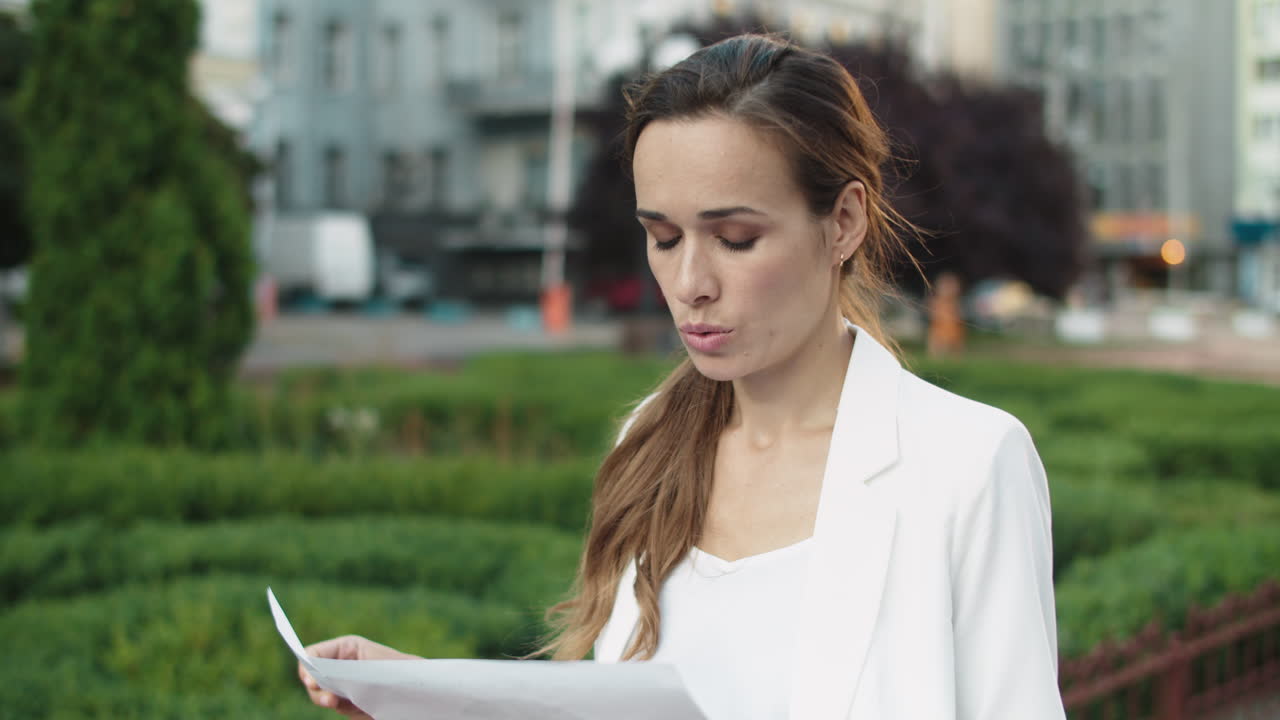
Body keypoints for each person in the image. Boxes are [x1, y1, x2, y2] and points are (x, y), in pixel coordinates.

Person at [299, 34, 1067, 720]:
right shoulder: (649, 442)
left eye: (735, 238)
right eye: (662, 238)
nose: (690, 281)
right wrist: (434, 702)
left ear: (843, 222)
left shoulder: (968, 464)